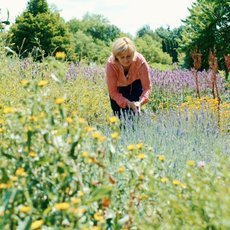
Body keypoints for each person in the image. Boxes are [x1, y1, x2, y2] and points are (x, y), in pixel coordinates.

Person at [105, 37, 152, 120]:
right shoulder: (111, 64)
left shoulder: (140, 61)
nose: (126, 60)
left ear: (133, 54)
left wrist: (140, 102)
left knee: (134, 116)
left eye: (129, 56)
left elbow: (147, 88)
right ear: (116, 57)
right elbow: (113, 92)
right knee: (120, 117)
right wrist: (128, 103)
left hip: (135, 84)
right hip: (118, 89)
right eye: (122, 57)